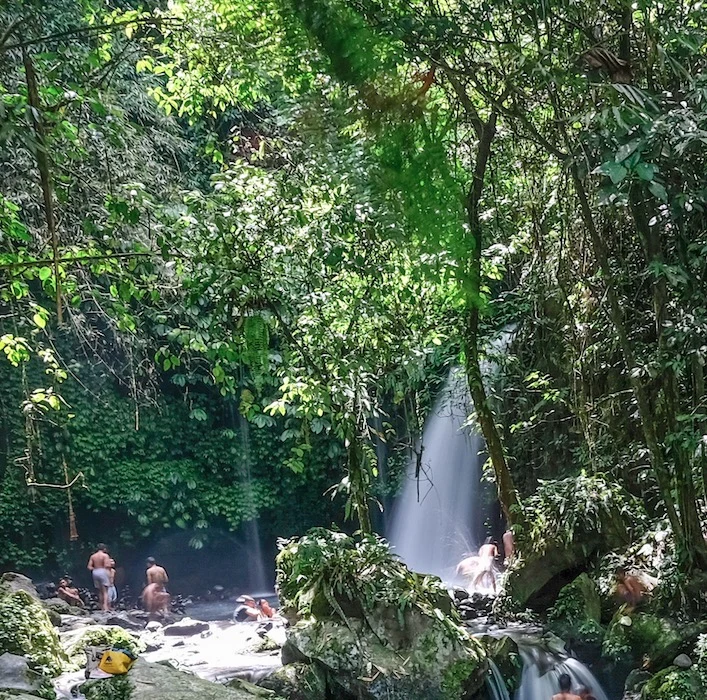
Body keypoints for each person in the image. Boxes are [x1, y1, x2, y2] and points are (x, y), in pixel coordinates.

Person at [87, 543, 111, 611]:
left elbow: (89, 566)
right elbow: (107, 565)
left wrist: (95, 569)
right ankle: (105, 606)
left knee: (100, 590)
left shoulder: (93, 556)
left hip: (95, 571)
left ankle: (101, 606)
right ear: (104, 549)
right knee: (105, 591)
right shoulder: (105, 556)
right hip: (103, 571)